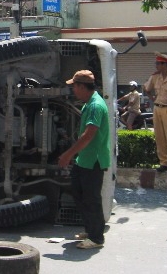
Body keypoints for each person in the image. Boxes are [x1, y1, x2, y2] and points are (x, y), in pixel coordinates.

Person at [59, 70, 110, 250]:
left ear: (82, 86)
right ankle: (91, 230)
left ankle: (97, 238)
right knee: (79, 194)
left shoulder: (96, 105)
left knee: (91, 199)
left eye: (74, 87)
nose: (73, 91)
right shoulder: (89, 104)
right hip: (84, 159)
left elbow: (89, 135)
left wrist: (68, 154)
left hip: (93, 159)